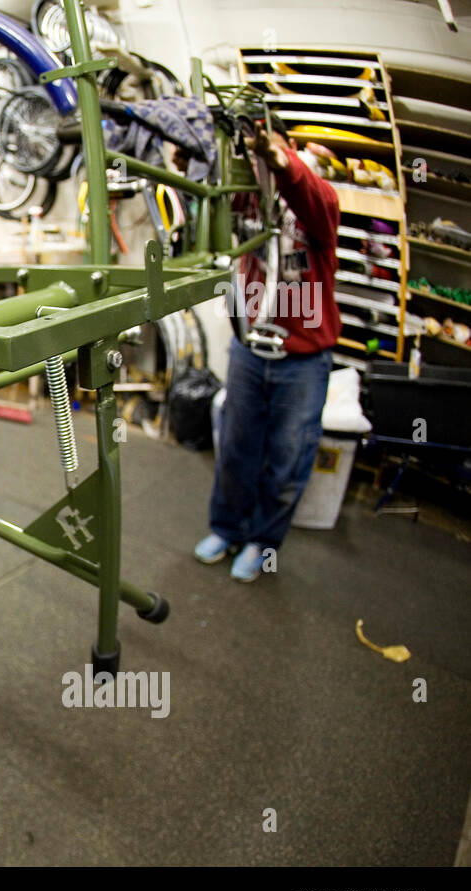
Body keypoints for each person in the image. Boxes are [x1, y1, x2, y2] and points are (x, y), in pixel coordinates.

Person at [193, 118, 341, 582]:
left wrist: (283, 162)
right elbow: (210, 196)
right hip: (251, 349)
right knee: (237, 450)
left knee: (287, 462)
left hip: (304, 360)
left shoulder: (317, 198)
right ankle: (227, 528)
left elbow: (313, 197)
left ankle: (263, 543)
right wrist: (197, 159)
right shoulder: (248, 195)